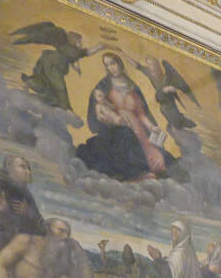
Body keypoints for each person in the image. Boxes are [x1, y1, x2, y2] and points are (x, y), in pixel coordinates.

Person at [73, 52, 179, 182]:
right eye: (107, 65)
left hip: (138, 129)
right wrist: (113, 120)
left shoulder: (133, 87)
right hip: (116, 129)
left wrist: (152, 127)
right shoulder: (103, 86)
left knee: (161, 158)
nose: (111, 68)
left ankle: (150, 173)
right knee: (125, 140)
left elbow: (141, 114)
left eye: (113, 63)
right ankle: (136, 175)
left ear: (120, 63)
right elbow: (98, 109)